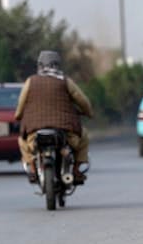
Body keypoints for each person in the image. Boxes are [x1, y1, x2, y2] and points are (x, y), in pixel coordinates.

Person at [15, 50, 93, 184]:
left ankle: (33, 169)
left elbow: (21, 103)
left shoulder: (31, 81)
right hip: (66, 132)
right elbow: (82, 101)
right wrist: (88, 113)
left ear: (39, 65)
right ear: (57, 65)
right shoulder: (65, 81)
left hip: (35, 133)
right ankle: (75, 170)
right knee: (84, 136)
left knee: (22, 141)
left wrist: (18, 115)